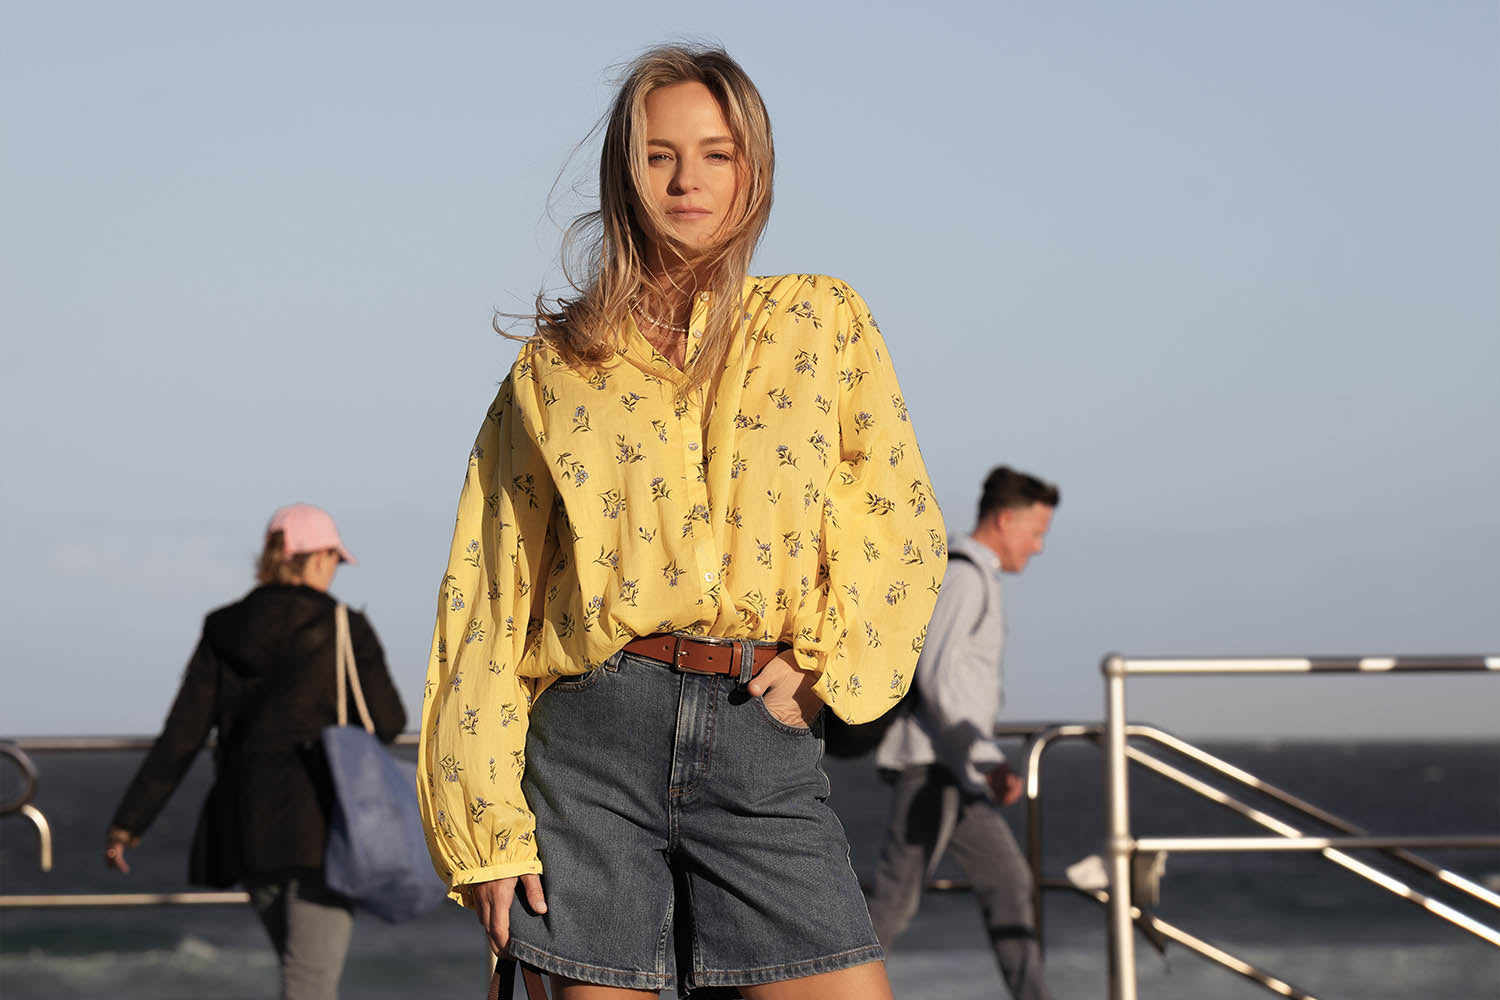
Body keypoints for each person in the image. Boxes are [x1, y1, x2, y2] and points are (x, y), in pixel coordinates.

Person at [418, 45, 947, 1000]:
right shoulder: (557, 366)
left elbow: (899, 519)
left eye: (716, 153)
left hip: (761, 734)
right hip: (587, 752)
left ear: (755, 170)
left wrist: (827, 673)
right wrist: (486, 831)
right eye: (660, 155)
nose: (688, 179)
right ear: (628, 172)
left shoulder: (822, 323)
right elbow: (487, 600)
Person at [105, 504, 407, 1000]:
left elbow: (181, 736)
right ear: (314, 557)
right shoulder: (344, 627)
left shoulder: (223, 629)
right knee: (309, 983)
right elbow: (389, 722)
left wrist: (128, 822)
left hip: (246, 830)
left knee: (299, 969)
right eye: (334, 558)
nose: (335, 571)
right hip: (324, 829)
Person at [866, 466, 1060, 1000]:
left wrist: (978, 761)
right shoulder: (964, 577)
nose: (1039, 547)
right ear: (1004, 520)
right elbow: (937, 675)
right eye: (1036, 532)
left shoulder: (975, 576)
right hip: (935, 767)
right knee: (893, 905)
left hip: (955, 770)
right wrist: (986, 758)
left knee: (1010, 882)